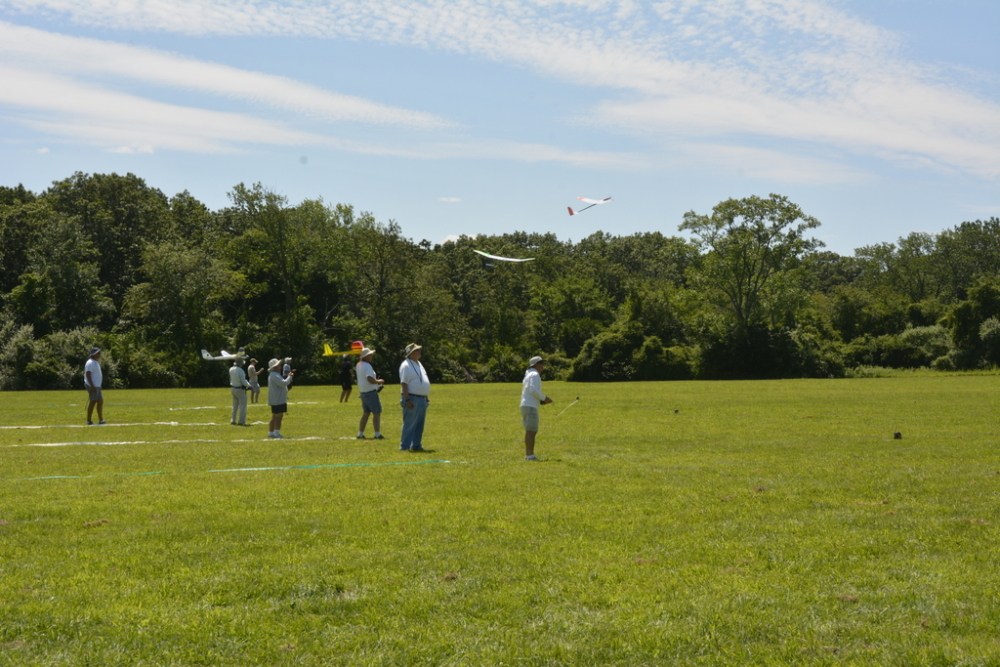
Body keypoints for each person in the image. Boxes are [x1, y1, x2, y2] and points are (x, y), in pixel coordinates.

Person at [398, 343, 430, 452]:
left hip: (421, 398)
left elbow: (421, 380)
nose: (419, 352)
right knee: (410, 423)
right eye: (417, 350)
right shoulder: (406, 365)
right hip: (412, 397)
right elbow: (404, 383)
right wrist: (407, 399)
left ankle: (416, 445)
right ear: (411, 353)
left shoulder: (419, 364)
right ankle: (404, 446)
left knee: (419, 424)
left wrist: (425, 396)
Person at [520, 355, 553, 461]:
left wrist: (540, 401)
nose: (543, 366)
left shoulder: (529, 374)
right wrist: (545, 398)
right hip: (530, 406)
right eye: (541, 363)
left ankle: (529, 455)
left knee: (530, 430)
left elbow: (530, 391)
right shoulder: (534, 375)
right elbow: (533, 390)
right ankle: (530, 456)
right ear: (536, 364)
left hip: (527, 405)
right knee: (531, 431)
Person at [355, 347, 386, 439]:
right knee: (376, 413)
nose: (371, 356)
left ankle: (360, 434)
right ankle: (377, 434)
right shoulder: (367, 366)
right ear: (366, 356)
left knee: (366, 413)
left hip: (363, 393)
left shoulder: (358, 365)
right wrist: (379, 381)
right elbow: (370, 379)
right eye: (370, 354)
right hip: (370, 393)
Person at [267, 357, 294, 439]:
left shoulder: (273, 375)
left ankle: (271, 432)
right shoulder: (275, 375)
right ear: (274, 366)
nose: (280, 366)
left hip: (275, 399)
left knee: (274, 417)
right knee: (279, 417)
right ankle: (276, 433)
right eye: (278, 365)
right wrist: (290, 376)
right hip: (278, 399)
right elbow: (283, 383)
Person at [84, 347, 105, 425]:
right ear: (94, 354)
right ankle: (88, 420)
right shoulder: (90, 362)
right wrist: (92, 385)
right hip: (92, 385)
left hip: (97, 386)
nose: (99, 355)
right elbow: (88, 374)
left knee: (100, 401)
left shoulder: (95, 362)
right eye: (98, 353)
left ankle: (101, 419)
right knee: (93, 401)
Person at [229, 357, 251, 426]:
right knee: (242, 406)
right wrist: (249, 386)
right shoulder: (240, 370)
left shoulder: (231, 369)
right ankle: (241, 421)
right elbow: (243, 381)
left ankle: (233, 420)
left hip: (233, 388)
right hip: (240, 389)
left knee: (235, 406)